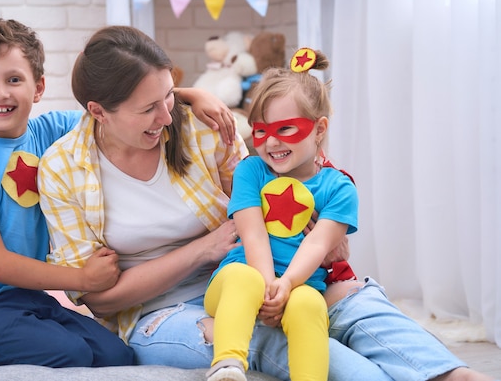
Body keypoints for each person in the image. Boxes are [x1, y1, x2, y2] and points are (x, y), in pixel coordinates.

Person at [38, 25, 495, 381]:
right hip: (162, 313)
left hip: (260, 268)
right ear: (98, 111)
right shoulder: (62, 169)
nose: (166, 115)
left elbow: (273, 185)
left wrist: (318, 229)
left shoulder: (197, 125)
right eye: (148, 109)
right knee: (284, 343)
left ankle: (454, 373)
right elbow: (100, 299)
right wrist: (205, 248)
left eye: (170, 96)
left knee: (356, 302)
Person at [0, 17, 236, 367]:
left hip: (30, 300)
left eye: (14, 79)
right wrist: (81, 278)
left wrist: (190, 95)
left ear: (38, 88)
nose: (1, 93)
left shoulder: (50, 130)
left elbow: (118, 110)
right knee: (73, 352)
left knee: (116, 353)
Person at [203, 48, 355, 381]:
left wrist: (286, 285)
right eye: (261, 131)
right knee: (247, 279)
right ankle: (227, 366)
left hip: (299, 287)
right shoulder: (251, 171)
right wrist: (268, 285)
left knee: (309, 304)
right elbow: (252, 233)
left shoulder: (339, 188)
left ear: (319, 129)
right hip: (237, 282)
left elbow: (318, 245)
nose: (271, 143)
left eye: (286, 129)